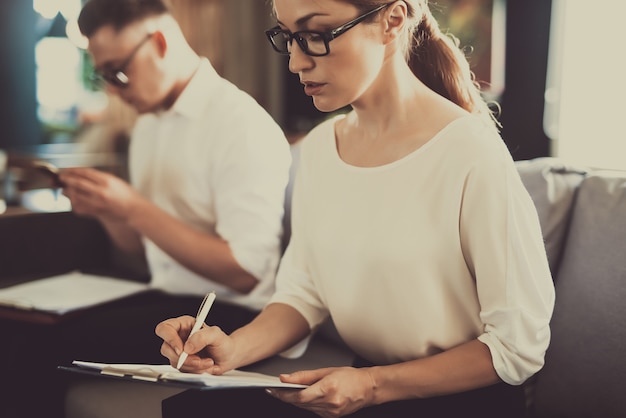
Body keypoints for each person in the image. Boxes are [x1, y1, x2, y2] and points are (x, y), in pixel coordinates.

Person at [156, 0, 556, 417]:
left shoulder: (471, 154)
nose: (295, 62)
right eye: (289, 37)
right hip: (363, 386)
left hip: (457, 401)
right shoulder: (318, 150)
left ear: (392, 21)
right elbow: (303, 294)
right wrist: (231, 349)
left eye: (316, 35)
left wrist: (372, 385)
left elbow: (517, 345)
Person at [0, 0, 291, 417]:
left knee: (35, 347)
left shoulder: (240, 125)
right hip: (164, 297)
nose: (113, 89)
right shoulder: (149, 126)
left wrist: (134, 208)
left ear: (158, 42)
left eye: (118, 71)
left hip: (227, 312)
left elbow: (246, 271)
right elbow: (143, 252)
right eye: (103, 75)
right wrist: (107, 210)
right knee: (15, 326)